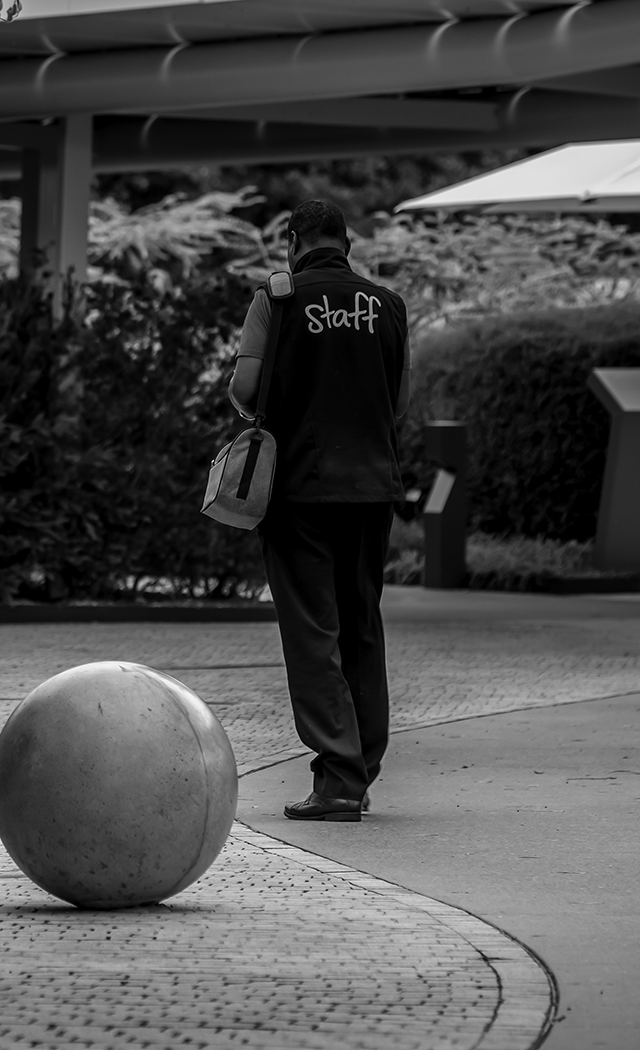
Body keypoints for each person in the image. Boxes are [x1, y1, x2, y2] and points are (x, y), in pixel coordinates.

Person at [227, 199, 408, 822]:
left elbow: (246, 389)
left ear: (292, 241)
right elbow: (398, 400)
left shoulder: (275, 299)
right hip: (372, 488)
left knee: (313, 632)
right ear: (346, 244)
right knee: (361, 626)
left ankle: (338, 779)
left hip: (300, 488)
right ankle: (361, 767)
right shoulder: (388, 306)